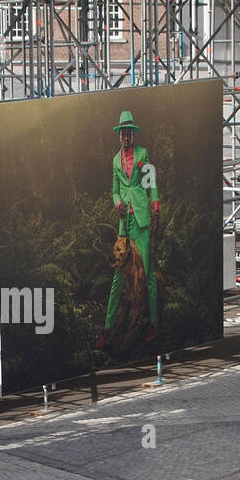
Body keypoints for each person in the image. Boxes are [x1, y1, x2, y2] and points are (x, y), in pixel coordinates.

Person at [96, 110, 160, 348]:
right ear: (119, 135)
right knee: (118, 276)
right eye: (122, 132)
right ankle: (108, 328)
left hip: (142, 220)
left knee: (149, 273)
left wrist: (155, 205)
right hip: (125, 224)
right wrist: (118, 203)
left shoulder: (143, 154)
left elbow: (150, 183)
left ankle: (153, 324)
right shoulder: (115, 160)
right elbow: (114, 191)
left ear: (133, 134)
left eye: (128, 132)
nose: (125, 136)